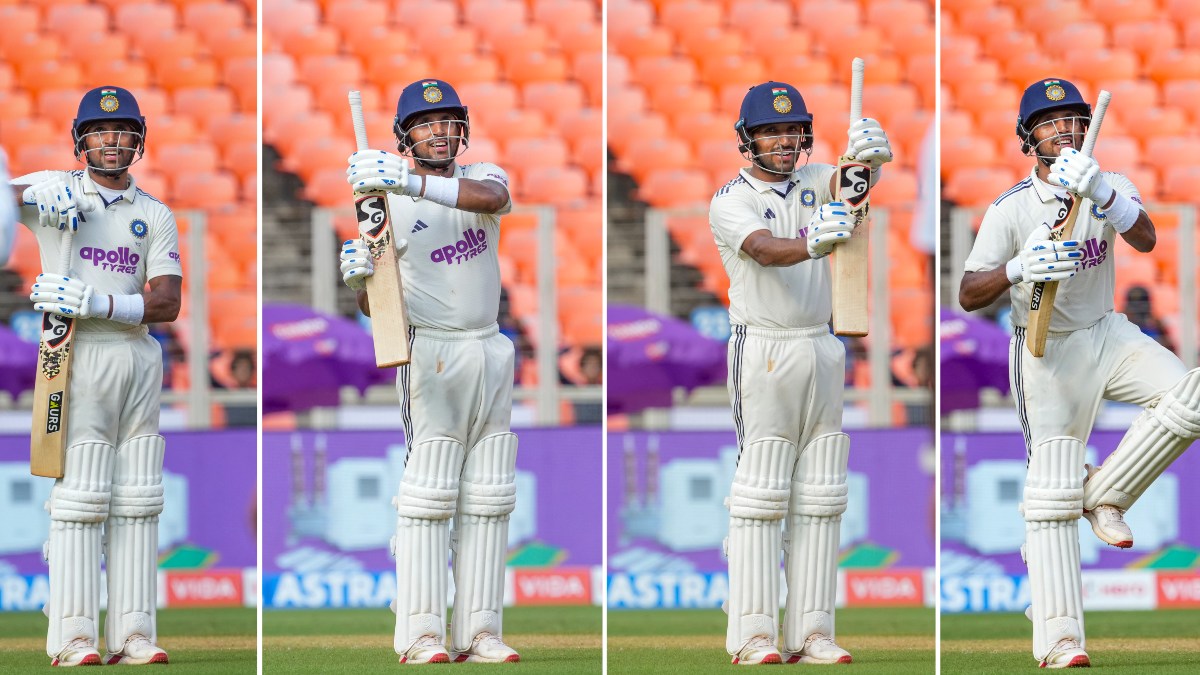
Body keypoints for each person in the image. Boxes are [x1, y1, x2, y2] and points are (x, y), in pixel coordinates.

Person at [958, 78, 1200, 669]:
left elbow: (1144, 237)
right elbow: (968, 293)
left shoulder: (1108, 183)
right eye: (1048, 122)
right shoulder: (1010, 207)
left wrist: (1101, 194)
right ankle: (1061, 641)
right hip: (1044, 349)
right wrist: (1019, 267)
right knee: (1052, 493)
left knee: (1190, 399)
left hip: (1105, 331)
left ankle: (1106, 495)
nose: (1062, 129)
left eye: (1071, 119)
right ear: (1027, 137)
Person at [708, 81, 892, 665]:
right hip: (763, 345)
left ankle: (811, 631)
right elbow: (765, 250)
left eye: (792, 130)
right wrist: (816, 238)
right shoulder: (729, 199)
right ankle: (753, 635)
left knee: (821, 493)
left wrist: (868, 160)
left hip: (822, 341)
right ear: (748, 140)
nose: (784, 140)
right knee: (763, 490)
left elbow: (852, 188)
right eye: (771, 131)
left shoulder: (817, 181)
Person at [338, 78, 520, 664]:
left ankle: (480, 631)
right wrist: (362, 278)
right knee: (430, 492)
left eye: (447, 121)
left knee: (490, 494)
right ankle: (420, 633)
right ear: (405, 135)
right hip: (431, 350)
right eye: (426, 123)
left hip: (489, 345)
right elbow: (377, 308)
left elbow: (491, 201)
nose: (439, 131)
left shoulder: (483, 174)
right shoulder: (382, 204)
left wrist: (407, 181)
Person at [11, 86, 182, 666]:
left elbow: (167, 304)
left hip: (135, 351)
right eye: (101, 132)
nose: (112, 141)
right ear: (81, 139)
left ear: (138, 140)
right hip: (74, 354)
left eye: (123, 131)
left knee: (139, 497)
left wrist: (97, 302)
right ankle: (73, 637)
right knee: (81, 495)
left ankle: (133, 635)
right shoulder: (54, 194)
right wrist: (29, 187)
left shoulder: (153, 213)